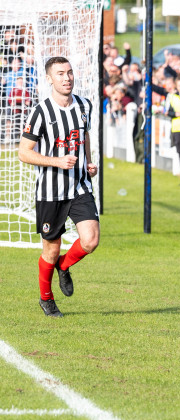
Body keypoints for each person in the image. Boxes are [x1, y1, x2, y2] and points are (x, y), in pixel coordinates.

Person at [18, 57, 100, 318]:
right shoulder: (40, 112)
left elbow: (83, 134)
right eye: (60, 74)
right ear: (49, 79)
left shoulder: (85, 105)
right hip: (50, 192)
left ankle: (64, 266)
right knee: (51, 250)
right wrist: (56, 161)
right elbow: (23, 153)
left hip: (79, 187)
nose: (67, 78)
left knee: (90, 240)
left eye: (70, 72)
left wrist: (88, 161)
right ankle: (46, 299)